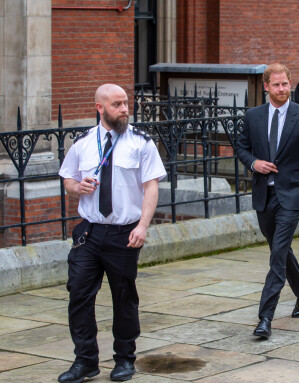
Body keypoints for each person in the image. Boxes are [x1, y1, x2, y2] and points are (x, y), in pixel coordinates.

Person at [58, 84, 167, 383]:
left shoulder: (141, 142)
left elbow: (151, 187)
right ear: (100, 108)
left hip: (124, 233)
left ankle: (124, 359)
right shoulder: (82, 143)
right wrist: (76, 187)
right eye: (116, 104)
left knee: (124, 297)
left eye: (125, 103)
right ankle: (85, 361)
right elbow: (68, 177)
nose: (123, 109)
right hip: (89, 233)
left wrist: (143, 225)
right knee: (78, 294)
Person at [237, 63, 299, 339]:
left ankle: (265, 317)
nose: (281, 89)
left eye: (285, 84)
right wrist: (255, 163)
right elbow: (241, 147)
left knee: (277, 254)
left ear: (290, 83)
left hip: (292, 195)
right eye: (276, 85)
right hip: (264, 196)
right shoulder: (254, 116)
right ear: (266, 86)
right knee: (280, 250)